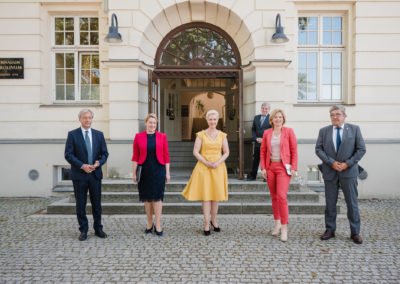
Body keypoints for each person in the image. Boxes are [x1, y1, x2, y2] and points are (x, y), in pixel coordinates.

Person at [316, 105, 366, 244]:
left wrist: (347, 163)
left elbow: (361, 149)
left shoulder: (354, 129)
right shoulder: (324, 131)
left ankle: (355, 232)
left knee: (352, 203)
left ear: (345, 116)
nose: (335, 117)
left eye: (338, 114)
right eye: (332, 115)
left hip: (349, 171)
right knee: (330, 203)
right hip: (330, 171)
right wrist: (331, 162)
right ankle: (330, 230)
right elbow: (318, 149)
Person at [182, 110, 229, 236]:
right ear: (207, 120)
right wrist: (206, 162)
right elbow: (196, 152)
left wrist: (218, 162)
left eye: (214, 119)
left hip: (218, 168)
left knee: (216, 196)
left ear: (217, 120)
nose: (212, 121)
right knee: (206, 196)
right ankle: (206, 223)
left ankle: (214, 220)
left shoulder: (222, 135)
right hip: (204, 168)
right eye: (210, 119)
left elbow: (226, 152)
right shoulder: (201, 135)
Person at [65, 109, 109, 241]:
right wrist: (82, 165)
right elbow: (68, 154)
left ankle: (98, 228)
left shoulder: (98, 135)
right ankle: (83, 230)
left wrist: (98, 163)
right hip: (80, 175)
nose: (87, 120)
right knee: (81, 204)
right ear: (80, 119)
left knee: (97, 204)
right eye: (85, 118)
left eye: (89, 117)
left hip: (95, 174)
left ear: (92, 119)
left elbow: (104, 154)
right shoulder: (73, 135)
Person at [260, 109, 297, 242]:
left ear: (283, 119)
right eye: (275, 117)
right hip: (270, 168)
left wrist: (294, 167)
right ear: (272, 120)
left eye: (280, 117)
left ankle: (284, 227)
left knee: (281, 196)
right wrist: (263, 168)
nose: (278, 119)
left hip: (283, 168)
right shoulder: (267, 133)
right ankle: (276, 224)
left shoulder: (289, 132)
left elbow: (294, 150)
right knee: (274, 197)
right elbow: (263, 151)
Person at [132, 113, 170, 236]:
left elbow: (166, 156)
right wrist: (134, 173)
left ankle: (158, 224)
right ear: (146, 123)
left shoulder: (162, 136)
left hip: (158, 170)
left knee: (158, 198)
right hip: (144, 171)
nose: (152, 125)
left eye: (154, 123)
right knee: (147, 198)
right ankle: (149, 223)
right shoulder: (138, 137)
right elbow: (135, 157)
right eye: (150, 122)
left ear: (156, 124)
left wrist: (167, 173)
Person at [248, 103, 271, 181]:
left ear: (269, 109)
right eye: (263, 108)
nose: (264, 110)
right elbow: (253, 129)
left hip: (267, 143)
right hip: (257, 143)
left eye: (266, 109)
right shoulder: (256, 117)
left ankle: (266, 177)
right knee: (256, 159)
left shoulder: (271, 118)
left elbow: (272, 131)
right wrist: (255, 138)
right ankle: (253, 176)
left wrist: (264, 139)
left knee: (266, 160)